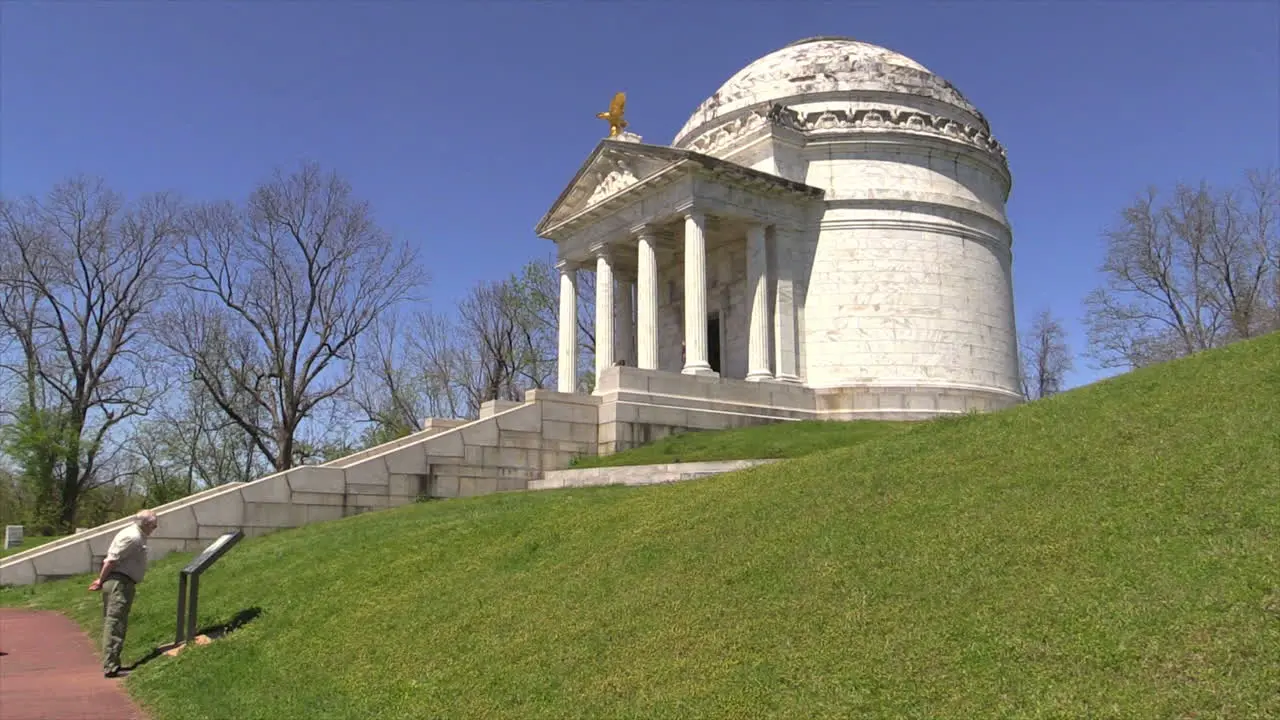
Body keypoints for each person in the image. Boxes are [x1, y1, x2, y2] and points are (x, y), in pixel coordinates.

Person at [88, 509, 158, 678]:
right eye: (154, 525)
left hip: (123, 582)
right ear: (146, 524)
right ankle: (111, 667)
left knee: (116, 622)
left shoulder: (136, 534)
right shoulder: (132, 537)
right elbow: (111, 560)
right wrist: (100, 580)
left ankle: (113, 662)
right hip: (119, 583)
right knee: (115, 623)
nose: (155, 528)